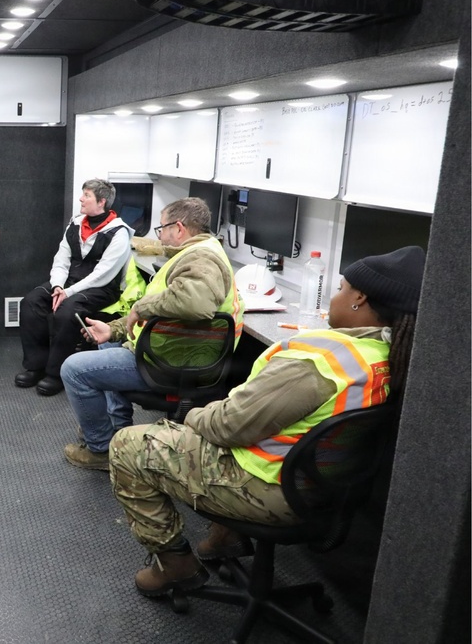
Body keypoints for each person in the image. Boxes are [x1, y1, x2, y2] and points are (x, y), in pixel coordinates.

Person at [108, 245, 424, 598]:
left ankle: (174, 565)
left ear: (359, 299)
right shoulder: (389, 355)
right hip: (323, 487)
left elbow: (227, 426)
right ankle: (224, 538)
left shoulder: (318, 362)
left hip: (272, 490)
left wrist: (193, 415)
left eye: (340, 289)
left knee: (128, 444)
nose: (334, 298)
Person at [61, 197, 243, 470]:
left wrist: (141, 308)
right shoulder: (200, 251)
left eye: (162, 229)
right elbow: (161, 311)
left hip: (169, 363)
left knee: (73, 370)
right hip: (175, 352)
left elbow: (195, 303)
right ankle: (118, 432)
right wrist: (115, 329)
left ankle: (101, 450)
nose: (159, 236)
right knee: (105, 345)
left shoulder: (202, 258)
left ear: (179, 228)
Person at [16, 179, 141, 396]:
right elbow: (61, 260)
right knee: (31, 302)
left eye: (87, 195)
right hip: (69, 282)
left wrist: (68, 293)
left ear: (101, 202)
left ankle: (56, 374)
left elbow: (102, 275)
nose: (81, 199)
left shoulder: (119, 233)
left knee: (67, 312)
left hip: (101, 288)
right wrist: (57, 285)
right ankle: (36, 366)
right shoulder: (75, 224)